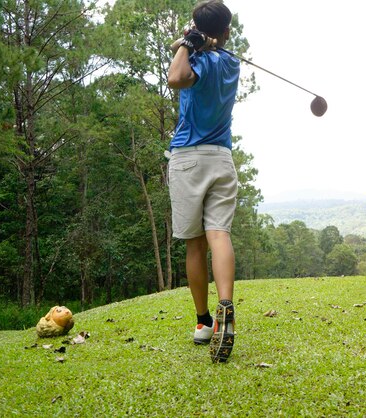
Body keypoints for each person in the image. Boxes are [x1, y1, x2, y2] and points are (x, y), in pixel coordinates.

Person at [167, 0, 239, 364]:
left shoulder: (197, 59)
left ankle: (203, 322)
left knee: (195, 245)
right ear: (227, 32)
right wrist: (197, 40)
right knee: (219, 234)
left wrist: (186, 43)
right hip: (222, 158)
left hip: (189, 157)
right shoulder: (232, 62)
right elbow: (205, 53)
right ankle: (227, 307)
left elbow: (175, 78)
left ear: (198, 28)